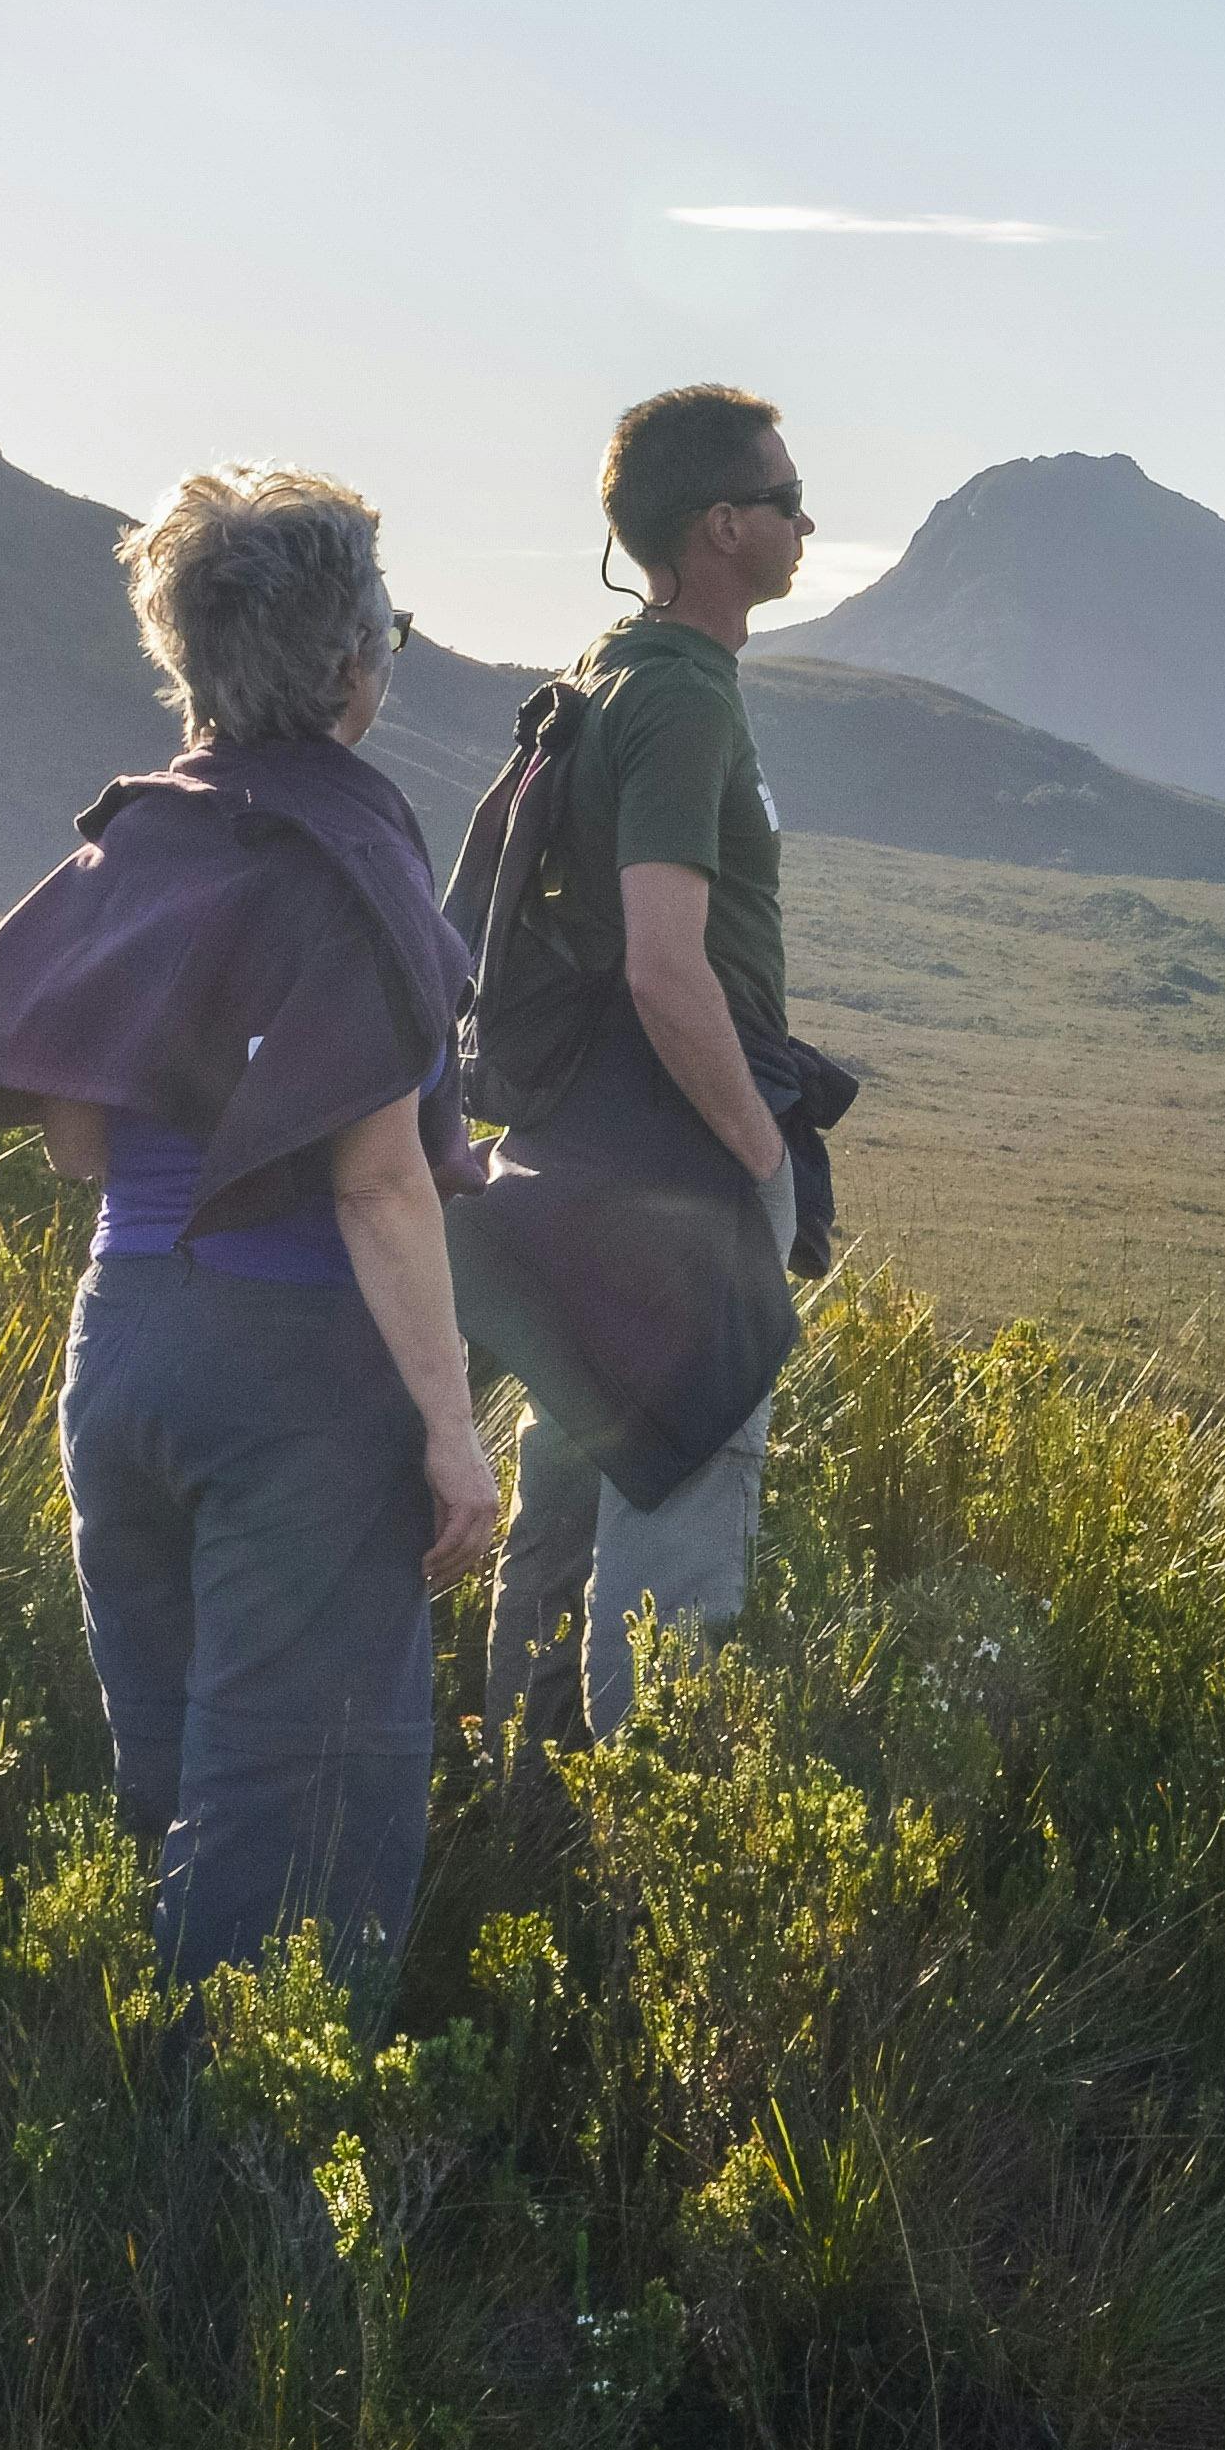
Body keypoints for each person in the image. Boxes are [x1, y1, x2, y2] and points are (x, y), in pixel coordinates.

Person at [0, 470, 492, 1979]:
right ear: (349, 668)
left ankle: (153, 2161)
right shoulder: (355, 848)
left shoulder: (138, 844)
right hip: (293, 1375)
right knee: (302, 1832)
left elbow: (76, 1134)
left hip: (122, 1352)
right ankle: (271, 2198)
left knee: (182, 1799)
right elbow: (379, 1179)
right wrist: (453, 1438)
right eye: (385, 626)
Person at [457, 380, 846, 1749]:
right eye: (789, 500)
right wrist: (756, 1157)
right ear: (724, 524)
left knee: (559, 1521)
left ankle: (531, 1841)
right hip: (679, 1171)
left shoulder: (608, 667)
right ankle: (650, 1902)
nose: (810, 523)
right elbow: (667, 965)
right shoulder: (686, 700)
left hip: (576, 1163)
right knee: (674, 1554)